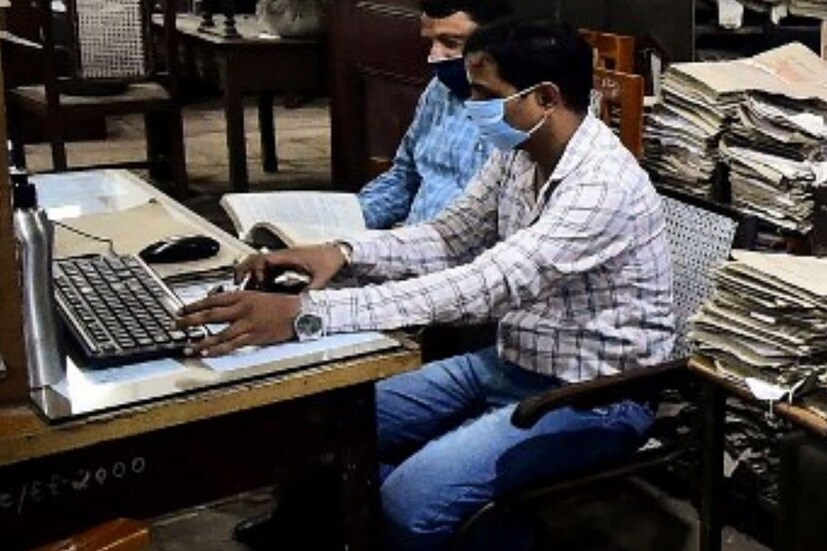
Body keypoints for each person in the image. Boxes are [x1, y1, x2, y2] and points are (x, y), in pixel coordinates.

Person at [177, 19, 675, 551]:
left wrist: (309, 313)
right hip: (511, 363)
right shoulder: (520, 153)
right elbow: (447, 237)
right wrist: (341, 253)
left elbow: (487, 284)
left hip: (593, 397)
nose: (471, 106)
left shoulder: (600, 185)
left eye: (485, 95)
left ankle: (493, 529)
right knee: (324, 425)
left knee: (410, 506)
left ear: (546, 98)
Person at [357, 0, 513, 229]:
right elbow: (405, 178)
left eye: (451, 43)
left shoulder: (522, 110)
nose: (435, 56)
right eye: (430, 43)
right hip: (411, 238)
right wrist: (352, 217)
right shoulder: (439, 90)